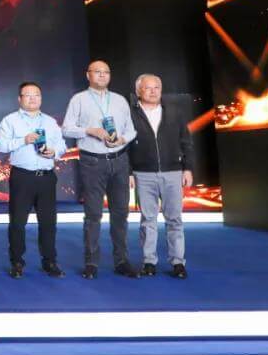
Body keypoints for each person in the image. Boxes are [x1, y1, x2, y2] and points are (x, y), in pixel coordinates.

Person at [62, 60, 138, 279]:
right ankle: (91, 262)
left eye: (106, 72)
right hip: (92, 161)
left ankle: (121, 260)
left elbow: (131, 131)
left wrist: (122, 139)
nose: (102, 75)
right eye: (98, 72)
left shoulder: (120, 100)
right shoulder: (79, 99)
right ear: (88, 75)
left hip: (120, 160)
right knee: (93, 214)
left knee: (121, 213)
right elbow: (67, 129)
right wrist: (90, 131)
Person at [0, 82, 67, 279]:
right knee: (18, 222)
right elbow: (1, 145)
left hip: (46, 177)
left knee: (48, 223)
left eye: (36, 95)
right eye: (28, 95)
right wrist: (23, 140)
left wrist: (54, 152)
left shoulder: (50, 122)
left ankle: (49, 261)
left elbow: (62, 146)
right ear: (19, 99)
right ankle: (17, 262)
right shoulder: (10, 120)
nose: (33, 98)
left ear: (41, 98)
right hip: (22, 177)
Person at [130, 73, 194, 279]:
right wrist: (129, 171)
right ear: (139, 91)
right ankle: (149, 262)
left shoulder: (174, 112)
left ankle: (178, 262)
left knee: (174, 219)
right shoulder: (130, 114)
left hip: (173, 172)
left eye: (156, 87)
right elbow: (125, 145)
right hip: (143, 173)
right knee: (148, 219)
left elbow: (186, 142)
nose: (153, 91)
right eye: (148, 87)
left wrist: (188, 168)